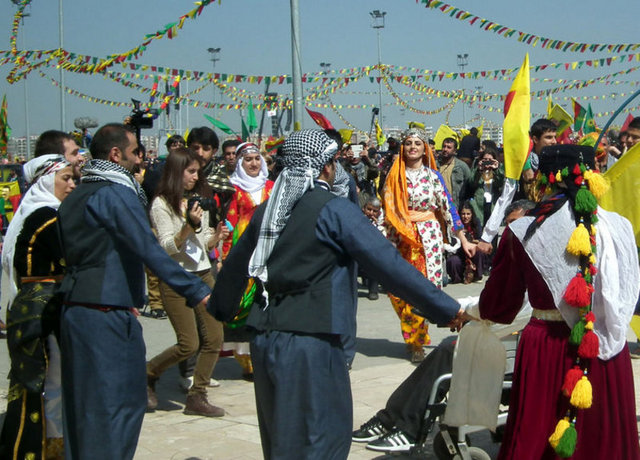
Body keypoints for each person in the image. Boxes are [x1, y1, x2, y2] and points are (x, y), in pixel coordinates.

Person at [209, 129, 464, 460]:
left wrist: (218, 308)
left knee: (281, 438)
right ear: (325, 167)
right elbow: (388, 264)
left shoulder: (267, 211)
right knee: (322, 435)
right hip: (311, 340)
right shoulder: (332, 210)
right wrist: (449, 310)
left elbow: (234, 269)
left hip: (265, 337)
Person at [56, 123, 212, 460]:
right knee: (118, 404)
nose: (140, 160)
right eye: (135, 152)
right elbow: (148, 247)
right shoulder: (114, 192)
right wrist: (196, 289)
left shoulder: (76, 194)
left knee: (83, 410)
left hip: (79, 310)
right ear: (116, 154)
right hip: (105, 314)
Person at [478, 144, 640, 459]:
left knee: (540, 435)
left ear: (543, 179)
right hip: (606, 348)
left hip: (547, 351)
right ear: (594, 175)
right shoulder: (619, 227)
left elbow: (498, 307)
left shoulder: (522, 230)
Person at [353, 199, 534, 453]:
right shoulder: (515, 259)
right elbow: (488, 299)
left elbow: (515, 313)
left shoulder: (536, 264)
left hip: (509, 347)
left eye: (517, 224)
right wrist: (451, 306)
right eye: (509, 225)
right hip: (495, 337)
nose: (512, 231)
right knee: (446, 351)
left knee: (448, 351)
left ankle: (405, 426)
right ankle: (391, 419)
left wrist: (464, 316)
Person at [0, 155, 75, 459]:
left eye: (73, 178)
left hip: (30, 306)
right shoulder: (46, 216)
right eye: (66, 178)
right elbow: (73, 258)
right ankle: (49, 446)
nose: (72, 184)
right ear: (47, 180)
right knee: (50, 382)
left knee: (39, 383)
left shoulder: (35, 212)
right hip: (42, 309)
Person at [145, 147, 227, 416]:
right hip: (176, 278)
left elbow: (201, 243)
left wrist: (216, 237)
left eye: (197, 171)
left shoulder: (195, 200)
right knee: (188, 344)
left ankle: (197, 395)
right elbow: (167, 246)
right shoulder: (161, 204)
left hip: (203, 274)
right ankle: (148, 373)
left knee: (215, 338)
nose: (195, 176)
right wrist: (189, 225)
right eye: (190, 171)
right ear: (176, 172)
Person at [383, 127, 475, 362]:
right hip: (402, 237)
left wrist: (462, 238)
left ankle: (416, 342)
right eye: (409, 143)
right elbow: (389, 212)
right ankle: (412, 336)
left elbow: (447, 208)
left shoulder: (433, 177)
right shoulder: (394, 176)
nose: (413, 147)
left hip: (428, 239)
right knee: (397, 291)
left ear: (425, 150)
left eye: (418, 143)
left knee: (421, 291)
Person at [221, 142, 274, 380]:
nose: (253, 164)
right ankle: (248, 362)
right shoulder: (233, 189)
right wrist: (225, 256)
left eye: (256, 159)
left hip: (271, 252)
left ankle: (269, 355)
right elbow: (229, 222)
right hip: (244, 253)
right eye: (248, 160)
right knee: (245, 304)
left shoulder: (273, 187)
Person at [445, 202, 484, 284]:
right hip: (459, 252)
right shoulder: (455, 225)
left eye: (468, 214)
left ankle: (476, 275)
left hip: (472, 251)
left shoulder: (476, 223)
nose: (465, 216)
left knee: (479, 251)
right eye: (463, 214)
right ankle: (458, 278)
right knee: (452, 261)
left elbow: (480, 240)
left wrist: (469, 240)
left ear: (472, 214)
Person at [436, 137, 473, 209]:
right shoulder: (435, 165)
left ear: (454, 151)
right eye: (444, 146)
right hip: (438, 206)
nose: (445, 149)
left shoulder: (461, 166)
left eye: (449, 147)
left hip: (456, 206)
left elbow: (470, 184)